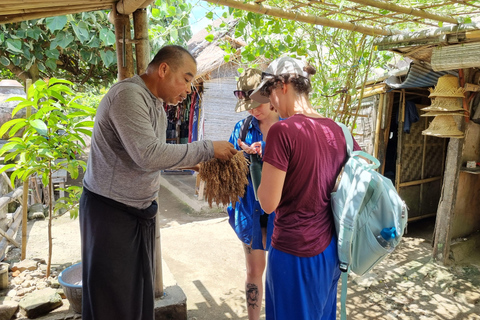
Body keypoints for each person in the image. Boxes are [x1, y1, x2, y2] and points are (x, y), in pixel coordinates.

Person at [79, 45, 237, 320]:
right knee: (112, 302)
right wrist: (207, 148)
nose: (189, 90)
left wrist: (195, 163)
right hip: (111, 214)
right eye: (187, 79)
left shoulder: (156, 106)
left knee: (135, 296)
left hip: (137, 213)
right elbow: (148, 155)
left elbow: (154, 153)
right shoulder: (128, 96)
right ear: (163, 69)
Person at [250, 57, 361, 320]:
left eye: (270, 93)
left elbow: (268, 203)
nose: (271, 103)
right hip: (330, 252)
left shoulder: (283, 131)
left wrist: (259, 168)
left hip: (294, 253)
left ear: (284, 86)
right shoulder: (339, 131)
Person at [227, 68, 279, 320]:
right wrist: (239, 156)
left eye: (257, 104)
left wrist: (268, 150)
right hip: (250, 209)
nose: (252, 110)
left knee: (281, 272)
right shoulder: (243, 128)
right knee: (254, 270)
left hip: (282, 213)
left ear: (272, 96)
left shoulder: (289, 127)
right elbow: (228, 168)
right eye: (247, 105)